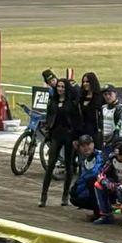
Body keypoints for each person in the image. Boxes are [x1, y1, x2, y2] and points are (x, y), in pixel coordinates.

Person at [39, 78, 83, 208]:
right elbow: (49, 117)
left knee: (69, 165)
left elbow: (77, 120)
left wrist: (76, 136)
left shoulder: (72, 103)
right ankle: (43, 196)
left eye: (63, 87)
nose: (60, 89)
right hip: (56, 135)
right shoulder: (53, 101)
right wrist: (48, 130)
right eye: (58, 87)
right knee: (51, 164)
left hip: (69, 135)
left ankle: (65, 195)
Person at [93, 143, 122, 225]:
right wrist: (107, 183)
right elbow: (101, 174)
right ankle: (106, 215)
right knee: (98, 185)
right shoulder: (113, 159)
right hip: (115, 185)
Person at [68, 135, 104, 220]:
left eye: (88, 144)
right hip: (91, 187)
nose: (86, 148)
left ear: (93, 144)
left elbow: (96, 172)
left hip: (106, 187)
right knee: (75, 198)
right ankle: (98, 211)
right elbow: (83, 177)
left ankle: (102, 212)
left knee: (92, 182)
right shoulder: (84, 160)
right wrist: (76, 187)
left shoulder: (100, 155)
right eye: (83, 146)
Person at [78, 73, 104, 146]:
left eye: (87, 82)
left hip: (95, 132)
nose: (85, 84)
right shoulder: (81, 98)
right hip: (83, 132)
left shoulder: (100, 97)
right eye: (83, 82)